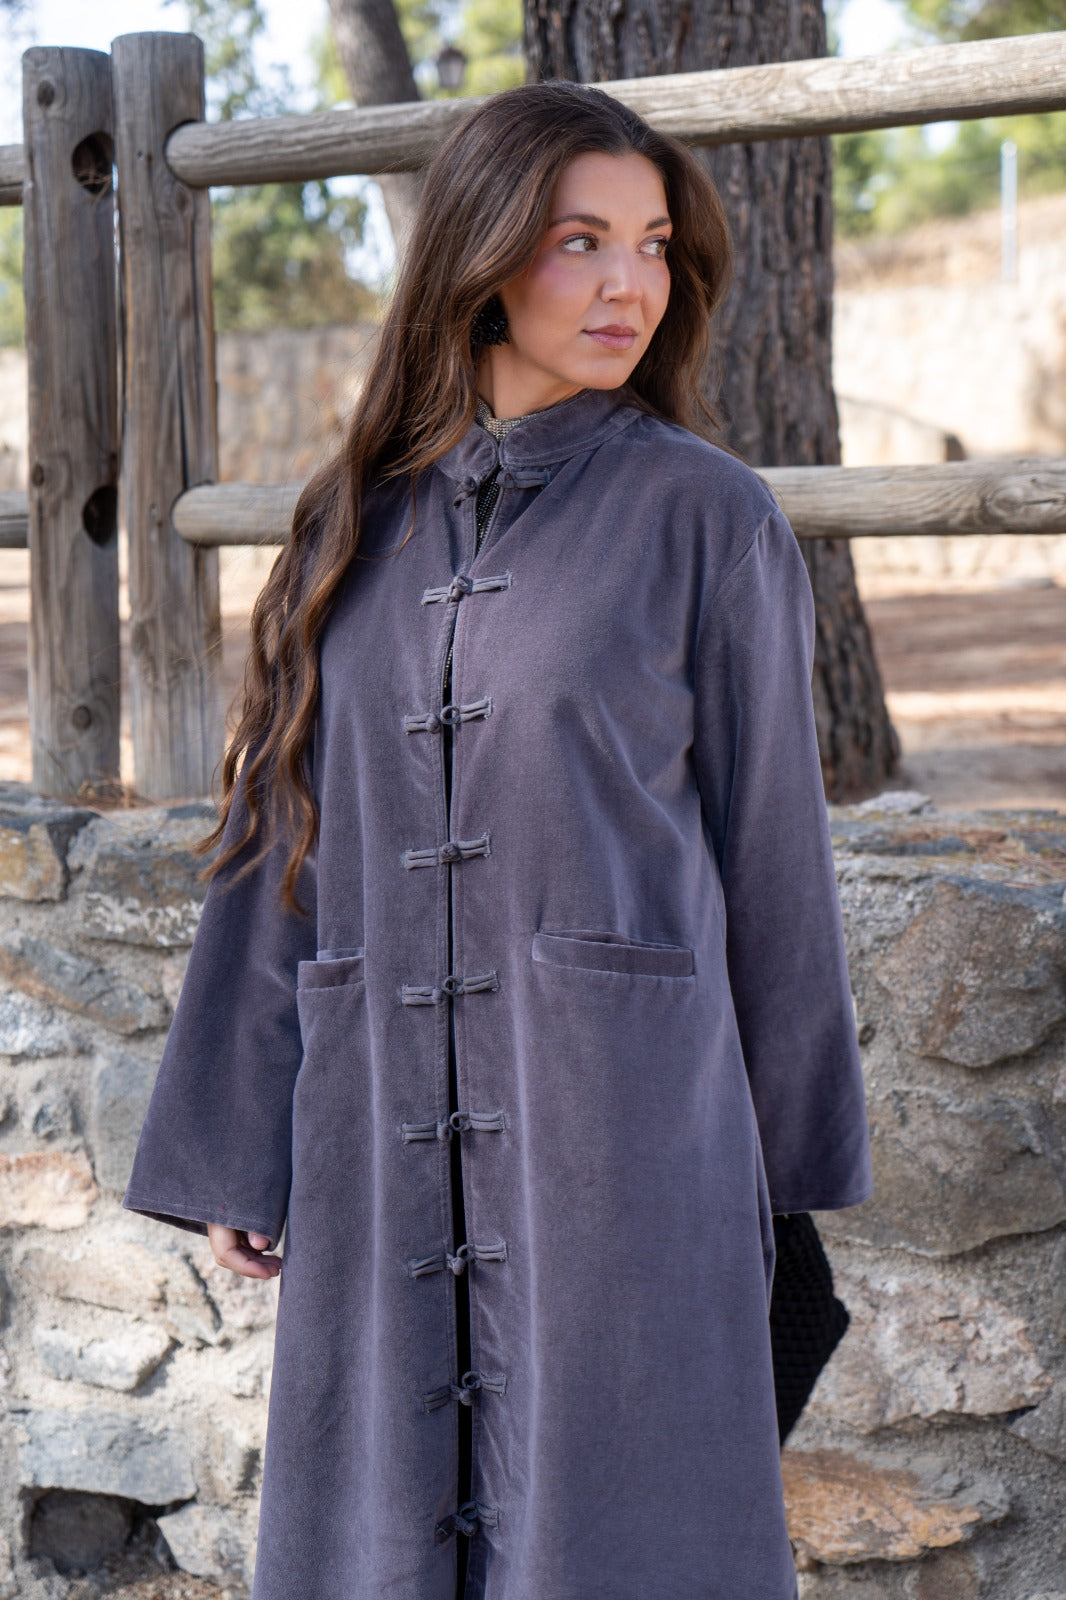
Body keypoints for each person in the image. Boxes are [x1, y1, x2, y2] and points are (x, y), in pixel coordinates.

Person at [123, 80, 872, 1600]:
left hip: (621, 1136)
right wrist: (236, 1142)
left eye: (652, 245)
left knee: (613, 1537)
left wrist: (783, 1179)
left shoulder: (707, 518)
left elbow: (773, 863)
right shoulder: (350, 524)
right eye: (578, 241)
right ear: (479, 257)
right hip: (379, 1115)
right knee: (381, 1531)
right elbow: (282, 840)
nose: (627, 285)